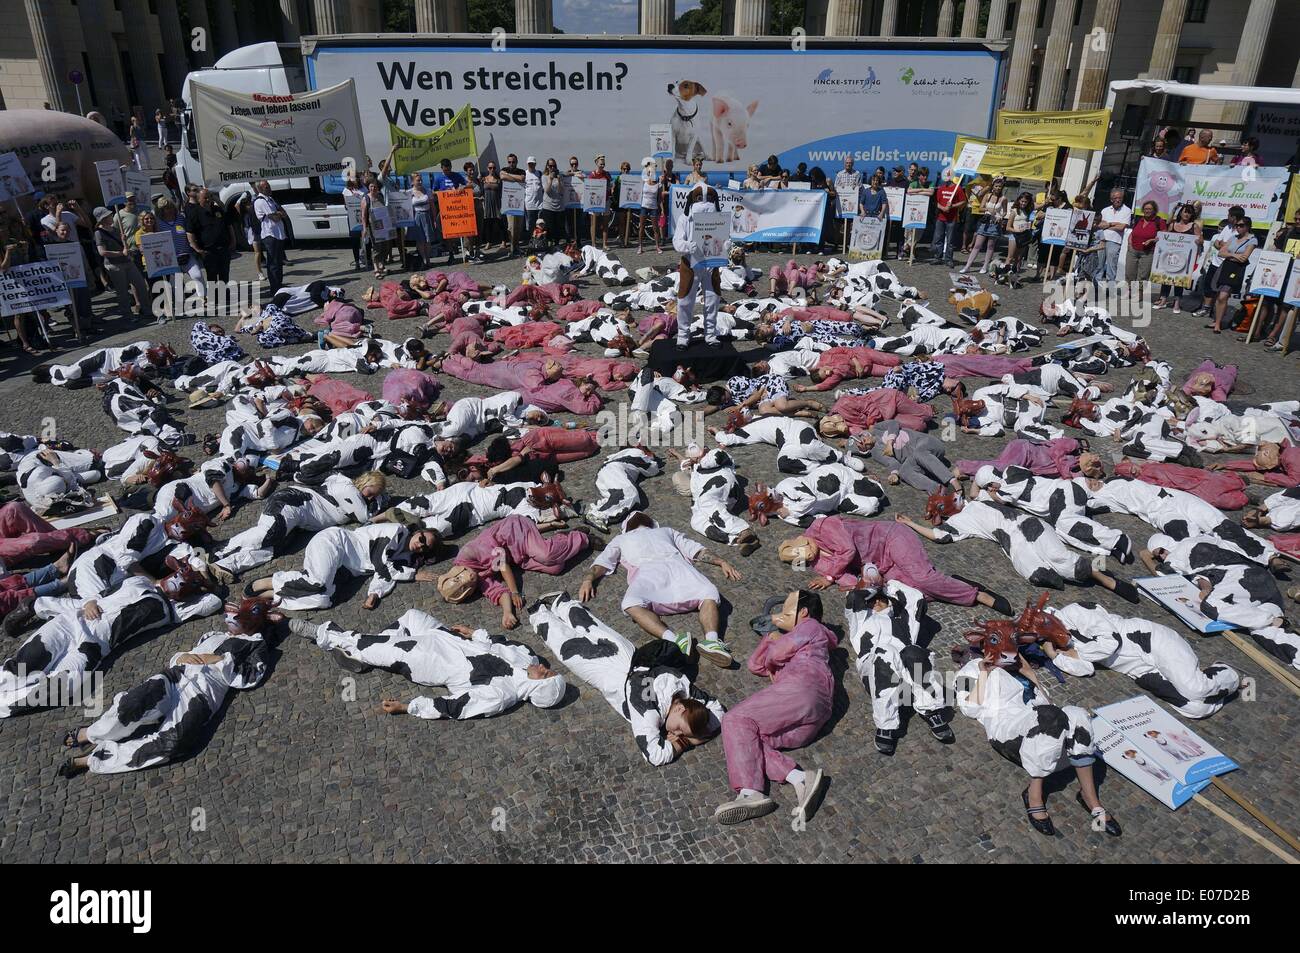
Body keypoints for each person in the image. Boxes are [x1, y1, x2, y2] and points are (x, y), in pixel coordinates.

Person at [956, 618, 1120, 837]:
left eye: (1013, 641)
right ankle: (1034, 794)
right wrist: (984, 672)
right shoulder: (969, 671)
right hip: (1009, 730)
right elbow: (969, 708)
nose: (1008, 649)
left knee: (1077, 713)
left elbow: (1047, 704)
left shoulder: (1019, 668)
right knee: (1051, 716)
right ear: (985, 643)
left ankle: (1090, 798)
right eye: (996, 640)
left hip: (1045, 732)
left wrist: (1031, 675)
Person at [528, 592, 725, 765]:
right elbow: (655, 755)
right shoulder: (648, 711)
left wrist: (691, 735)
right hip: (610, 672)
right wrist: (687, 742)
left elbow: (719, 712)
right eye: (681, 728)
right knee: (568, 644)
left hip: (628, 657)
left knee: (590, 629)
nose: (677, 733)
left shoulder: (686, 691)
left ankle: (559, 605)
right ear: (681, 708)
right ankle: (541, 613)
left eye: (682, 734)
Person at [295, 609, 566, 721]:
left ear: (535, 689)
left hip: (428, 659)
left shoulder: (500, 694)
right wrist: (475, 633)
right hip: (447, 638)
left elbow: (453, 707)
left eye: (544, 674)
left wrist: (407, 706)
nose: (543, 667)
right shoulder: (527, 659)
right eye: (547, 669)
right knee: (412, 616)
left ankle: (324, 635)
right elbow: (499, 642)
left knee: (371, 646)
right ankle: (360, 656)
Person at [714, 589, 832, 825]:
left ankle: (750, 792)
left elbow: (776, 655)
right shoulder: (799, 641)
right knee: (749, 743)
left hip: (803, 688)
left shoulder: (811, 627)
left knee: (735, 720)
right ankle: (800, 779)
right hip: (811, 712)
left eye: (787, 611)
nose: (780, 615)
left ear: (804, 612)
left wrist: (778, 644)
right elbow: (755, 665)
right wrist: (770, 637)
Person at [579, 512, 740, 667]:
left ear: (626, 527)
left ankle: (675, 640)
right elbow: (695, 549)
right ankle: (712, 640)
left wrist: (588, 579)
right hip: (679, 568)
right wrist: (721, 562)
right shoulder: (666, 531)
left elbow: (603, 562)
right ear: (651, 523)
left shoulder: (621, 538)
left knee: (630, 604)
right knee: (709, 593)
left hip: (650, 573)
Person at [845, 581, 954, 754]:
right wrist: (872, 586)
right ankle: (886, 724)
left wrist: (886, 584)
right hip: (875, 668)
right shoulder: (861, 619)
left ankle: (931, 710)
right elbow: (853, 597)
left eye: (882, 600)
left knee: (914, 651)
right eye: (873, 601)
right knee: (885, 653)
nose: (878, 603)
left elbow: (916, 597)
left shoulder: (903, 619)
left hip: (907, 672)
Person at [1208, 216, 1258, 334]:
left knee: (1223, 296)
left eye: (1241, 226)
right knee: (1219, 294)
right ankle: (1217, 320)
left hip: (1236, 270)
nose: (1238, 228)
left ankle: (1218, 324)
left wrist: (1229, 254)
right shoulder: (1232, 238)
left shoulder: (1252, 240)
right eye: (1237, 226)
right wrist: (1235, 255)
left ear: (1248, 227)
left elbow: (1244, 258)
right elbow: (1221, 252)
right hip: (1225, 267)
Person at [1154, 203, 1202, 312]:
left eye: (1189, 212)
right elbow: (1164, 237)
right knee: (1166, 278)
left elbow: (1201, 240)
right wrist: (1159, 239)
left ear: (1191, 215)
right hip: (1170, 256)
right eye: (1185, 211)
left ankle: (1177, 303)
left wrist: (1198, 241)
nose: (1186, 214)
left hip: (1184, 259)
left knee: (1179, 280)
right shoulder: (1172, 224)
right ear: (1181, 212)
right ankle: (1163, 300)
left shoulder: (1194, 226)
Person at [186, 188, 236, 286]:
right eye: (205, 198)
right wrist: (197, 249)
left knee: (224, 274)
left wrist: (233, 241)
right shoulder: (194, 213)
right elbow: (190, 233)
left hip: (223, 248)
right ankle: (215, 298)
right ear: (199, 199)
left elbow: (229, 226)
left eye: (209, 197)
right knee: (212, 276)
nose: (208, 200)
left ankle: (224, 296)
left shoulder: (218, 210)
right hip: (208, 251)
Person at [961, 176, 1006, 274]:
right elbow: (981, 208)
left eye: (1000, 186)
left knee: (990, 246)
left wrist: (1001, 216)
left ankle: (985, 266)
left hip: (995, 224)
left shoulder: (1003, 198)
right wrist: (987, 209)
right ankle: (967, 266)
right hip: (985, 222)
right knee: (977, 245)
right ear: (993, 186)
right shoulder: (987, 196)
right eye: (997, 186)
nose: (998, 188)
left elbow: (1005, 212)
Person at [253, 180, 288, 293]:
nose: (269, 189)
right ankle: (274, 287)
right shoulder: (261, 201)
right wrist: (278, 214)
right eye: (267, 187)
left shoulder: (271, 199)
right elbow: (275, 217)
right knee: (273, 263)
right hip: (270, 234)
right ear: (260, 189)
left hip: (278, 234)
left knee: (279, 261)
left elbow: (284, 212)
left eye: (269, 186)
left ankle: (279, 284)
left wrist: (278, 213)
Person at [930, 170, 965, 266]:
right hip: (940, 218)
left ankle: (948, 259)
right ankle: (938, 257)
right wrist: (943, 208)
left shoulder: (957, 189)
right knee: (938, 239)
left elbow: (963, 201)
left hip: (952, 219)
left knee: (950, 240)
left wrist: (952, 206)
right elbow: (937, 202)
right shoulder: (941, 188)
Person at [1125, 200, 1165, 283]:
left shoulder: (1159, 221)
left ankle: (1138, 295)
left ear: (1154, 210)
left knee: (1143, 277)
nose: (1147, 211)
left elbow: (1164, 238)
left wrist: (1152, 240)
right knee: (1129, 274)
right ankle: (1128, 293)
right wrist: (1129, 243)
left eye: (1150, 209)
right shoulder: (1139, 219)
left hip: (1148, 253)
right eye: (1146, 209)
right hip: (1133, 251)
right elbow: (1133, 233)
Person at [1097, 188, 1131, 282]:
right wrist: (1115, 223)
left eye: (1120, 198)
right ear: (1111, 199)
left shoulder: (1127, 210)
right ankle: (1096, 285)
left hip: (1114, 241)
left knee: (1112, 266)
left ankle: (1110, 288)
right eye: (1115, 198)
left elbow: (1122, 227)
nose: (1118, 200)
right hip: (1102, 239)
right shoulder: (1105, 210)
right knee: (1099, 264)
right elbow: (1099, 225)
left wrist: (1107, 224)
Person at [360, 176, 391, 280]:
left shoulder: (380, 196)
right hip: (373, 228)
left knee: (385, 247)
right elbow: (363, 216)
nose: (373, 188)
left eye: (375, 186)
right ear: (369, 187)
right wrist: (364, 228)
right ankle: (376, 269)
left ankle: (382, 266)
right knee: (377, 248)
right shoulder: (366, 199)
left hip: (384, 226)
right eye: (371, 186)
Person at [499, 153, 526, 255]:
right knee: (511, 227)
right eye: (509, 162)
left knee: (518, 226)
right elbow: (502, 177)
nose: (511, 163)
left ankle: (517, 246)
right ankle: (512, 248)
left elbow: (522, 178)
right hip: (508, 202)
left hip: (519, 202)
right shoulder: (504, 169)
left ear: (516, 162)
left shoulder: (521, 171)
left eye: (513, 162)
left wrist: (508, 176)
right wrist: (515, 178)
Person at [522, 155, 544, 235]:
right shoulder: (524, 174)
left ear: (535, 164)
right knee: (531, 226)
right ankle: (532, 241)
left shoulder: (539, 173)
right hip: (529, 205)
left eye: (533, 163)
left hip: (539, 205)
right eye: (529, 164)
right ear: (527, 164)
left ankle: (540, 241)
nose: (531, 165)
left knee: (540, 224)